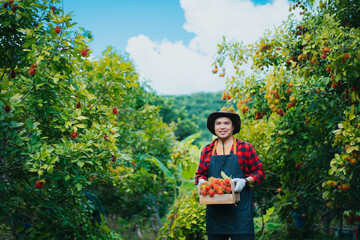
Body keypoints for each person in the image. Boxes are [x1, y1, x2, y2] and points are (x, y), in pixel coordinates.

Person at [195, 110, 265, 240]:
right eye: (218, 123)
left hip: (241, 214)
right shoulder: (207, 150)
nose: (222, 127)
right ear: (214, 127)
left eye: (226, 123)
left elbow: (260, 172)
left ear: (233, 127)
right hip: (215, 215)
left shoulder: (245, 148)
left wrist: (245, 181)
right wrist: (201, 181)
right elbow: (200, 174)